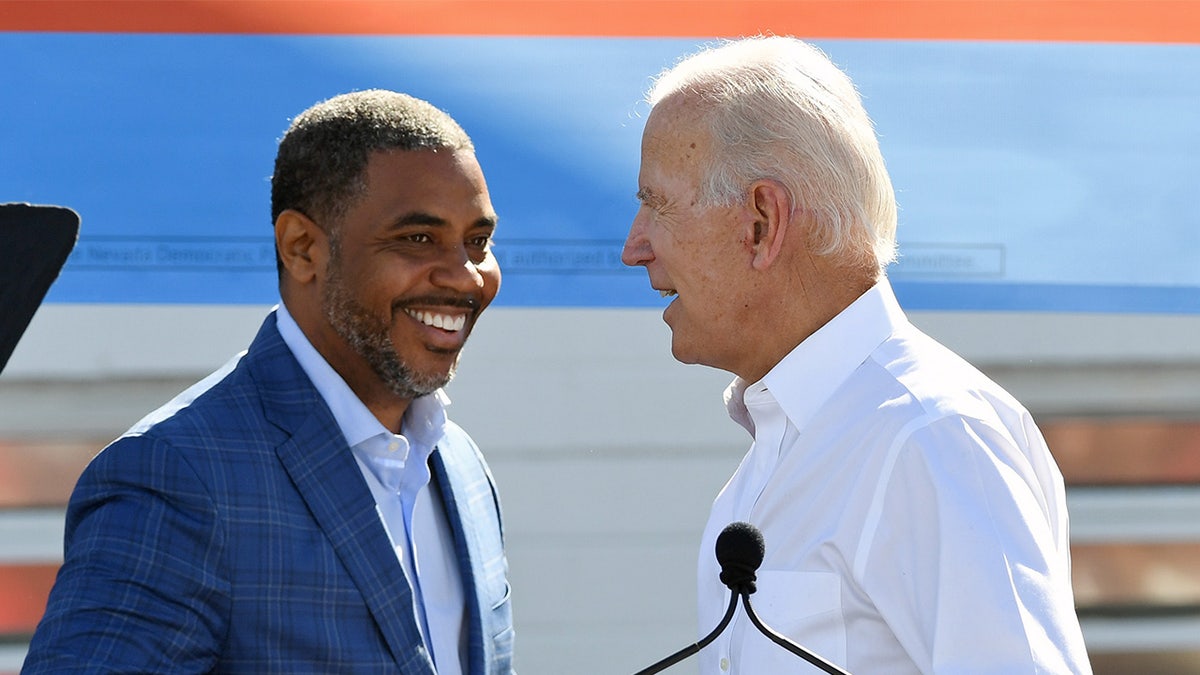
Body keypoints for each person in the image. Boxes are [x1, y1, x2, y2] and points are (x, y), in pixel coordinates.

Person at [622, 37, 1091, 674]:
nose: (635, 246)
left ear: (762, 221)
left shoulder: (935, 436)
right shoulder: (786, 445)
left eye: (658, 204)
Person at [23, 90, 514, 674]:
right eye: (417, 239)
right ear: (301, 248)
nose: (465, 276)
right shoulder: (176, 477)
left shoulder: (460, 465)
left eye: (477, 242)